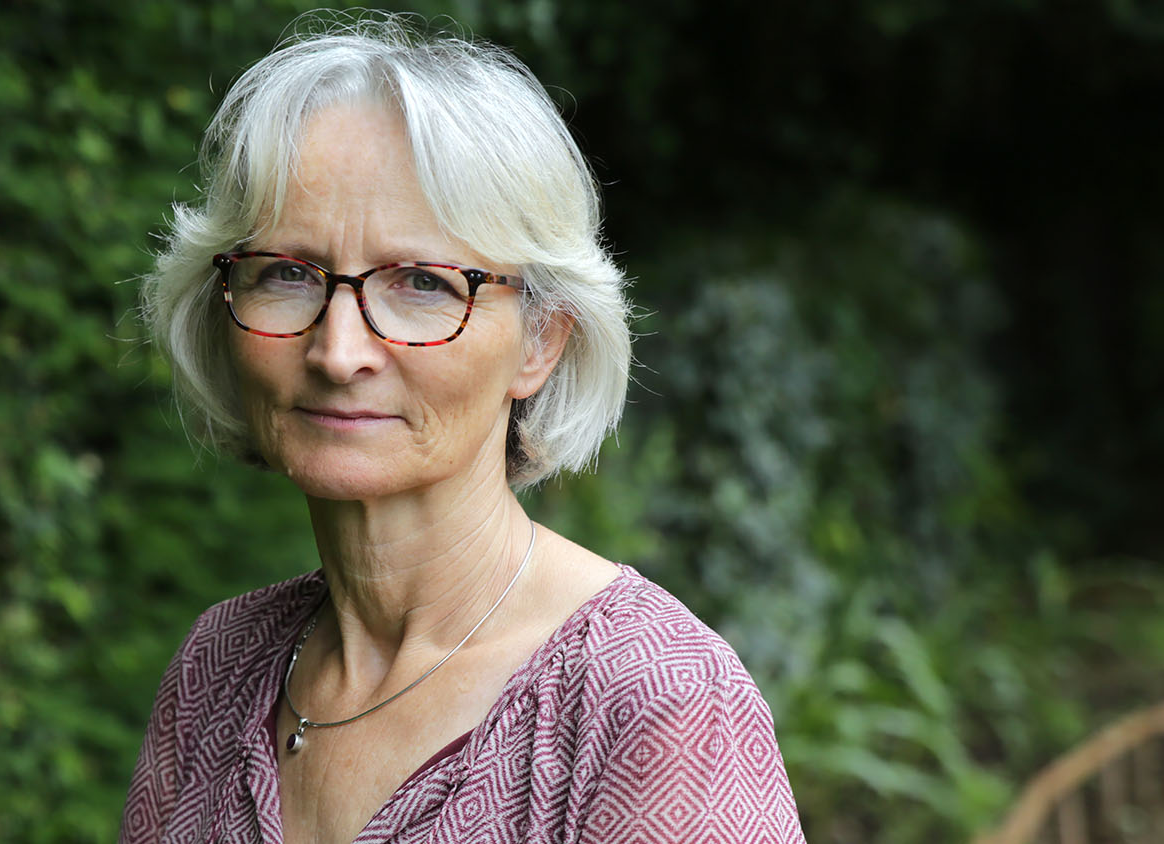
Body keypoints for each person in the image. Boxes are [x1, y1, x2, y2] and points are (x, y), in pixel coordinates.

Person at [124, 14, 804, 844]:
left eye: (422, 283)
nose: (339, 352)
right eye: (288, 274)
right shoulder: (218, 666)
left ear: (540, 343)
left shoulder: (655, 703)